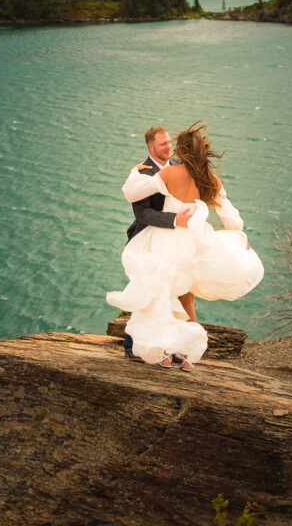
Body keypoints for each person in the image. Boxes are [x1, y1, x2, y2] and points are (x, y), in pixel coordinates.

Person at [107, 122, 263, 372]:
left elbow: (131, 193)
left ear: (183, 151)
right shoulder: (211, 179)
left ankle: (161, 351)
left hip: (165, 240)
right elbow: (231, 217)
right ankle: (186, 354)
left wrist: (134, 172)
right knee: (184, 294)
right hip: (193, 243)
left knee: (159, 292)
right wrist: (238, 236)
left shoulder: (170, 174)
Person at [122, 126, 194, 359]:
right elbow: (142, 214)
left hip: (173, 241)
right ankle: (131, 347)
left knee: (172, 291)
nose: (169, 146)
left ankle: (167, 346)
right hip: (146, 239)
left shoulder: (178, 166)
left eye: (169, 142)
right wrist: (176, 220)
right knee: (146, 291)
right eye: (163, 143)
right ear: (150, 147)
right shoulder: (143, 173)